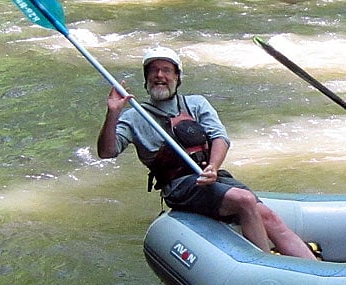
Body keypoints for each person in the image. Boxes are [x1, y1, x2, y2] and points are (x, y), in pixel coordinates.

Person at [96, 46, 315, 259]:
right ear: (146, 79)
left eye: (166, 70)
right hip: (179, 186)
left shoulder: (196, 104)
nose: (159, 75)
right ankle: (268, 269)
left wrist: (213, 167)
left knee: (269, 217)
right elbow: (106, 152)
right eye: (153, 71)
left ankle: (315, 271)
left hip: (210, 175)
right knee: (244, 199)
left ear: (177, 77)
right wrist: (113, 114)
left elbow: (220, 137)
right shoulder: (135, 117)